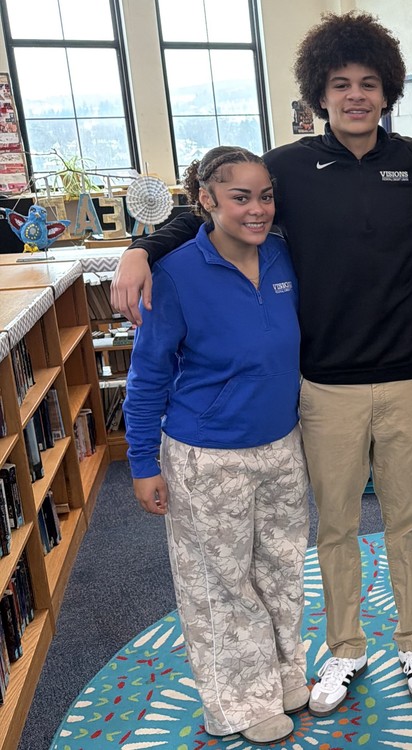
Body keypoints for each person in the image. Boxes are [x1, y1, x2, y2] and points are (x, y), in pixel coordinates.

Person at [112, 12, 412, 715]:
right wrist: (141, 248)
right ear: (319, 93)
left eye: (368, 83)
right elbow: (213, 207)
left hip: (402, 378)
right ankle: (346, 650)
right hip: (323, 388)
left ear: (386, 89)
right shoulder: (288, 169)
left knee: (406, 522)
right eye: (340, 84)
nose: (355, 95)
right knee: (332, 526)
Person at [123, 146, 308, 745]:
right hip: (208, 455)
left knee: (279, 572)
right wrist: (143, 462)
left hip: (281, 445)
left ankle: (282, 677)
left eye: (265, 196)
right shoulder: (174, 273)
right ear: (205, 199)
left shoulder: (281, 255)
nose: (257, 210)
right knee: (220, 583)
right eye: (240, 197)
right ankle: (236, 704)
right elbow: (148, 374)